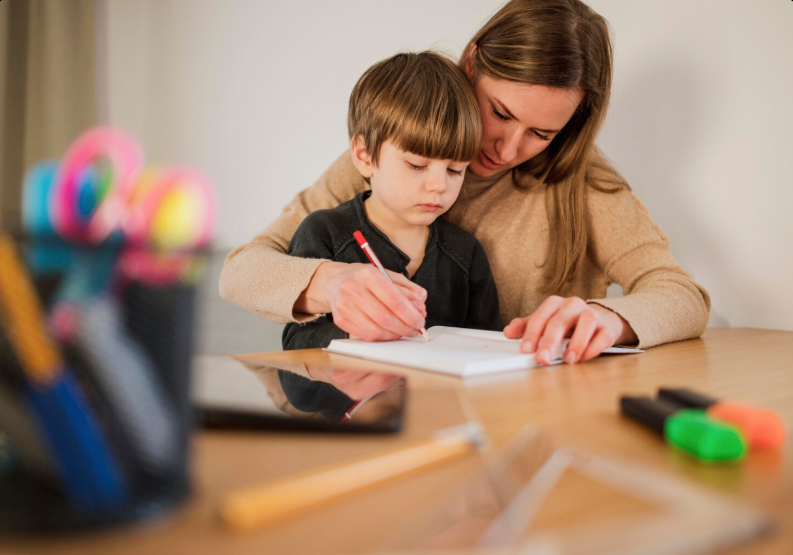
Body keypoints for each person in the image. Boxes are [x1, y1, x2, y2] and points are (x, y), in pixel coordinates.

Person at [219, 0, 710, 365]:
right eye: (500, 113)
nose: (508, 148)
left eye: (541, 133)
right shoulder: (393, 152)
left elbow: (683, 297)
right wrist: (329, 284)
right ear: (472, 62)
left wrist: (610, 319)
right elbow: (241, 270)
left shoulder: (580, 185)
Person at [281, 51, 502, 350]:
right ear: (364, 156)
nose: (439, 185)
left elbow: (488, 346)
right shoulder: (324, 233)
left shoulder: (466, 253)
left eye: (455, 169)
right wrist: (358, 334)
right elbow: (296, 345)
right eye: (416, 165)